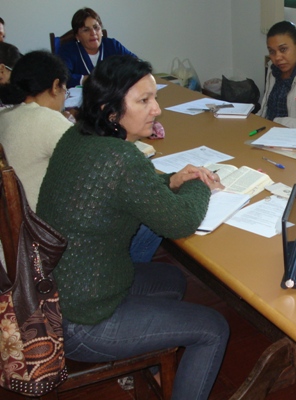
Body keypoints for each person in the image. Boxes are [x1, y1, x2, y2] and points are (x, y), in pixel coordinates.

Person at [37, 55, 229, 400]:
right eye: (144, 101)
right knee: (213, 328)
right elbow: (180, 221)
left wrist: (171, 181)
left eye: (154, 97)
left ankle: (148, 368)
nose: (156, 109)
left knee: (172, 279)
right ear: (111, 111)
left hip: (59, 294)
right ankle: (140, 359)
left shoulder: (76, 138)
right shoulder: (121, 159)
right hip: (83, 321)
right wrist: (199, 182)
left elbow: (123, 193)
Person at [0, 50, 71, 211]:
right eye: (65, 91)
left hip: (10, 224)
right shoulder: (47, 120)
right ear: (55, 86)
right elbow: (92, 162)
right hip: (43, 225)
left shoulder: (4, 115)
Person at [58, 7, 135, 87]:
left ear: (101, 31)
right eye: (86, 30)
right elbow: (61, 77)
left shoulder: (112, 45)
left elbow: (136, 63)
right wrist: (87, 79)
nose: (93, 33)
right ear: (77, 36)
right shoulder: (68, 50)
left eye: (96, 27)